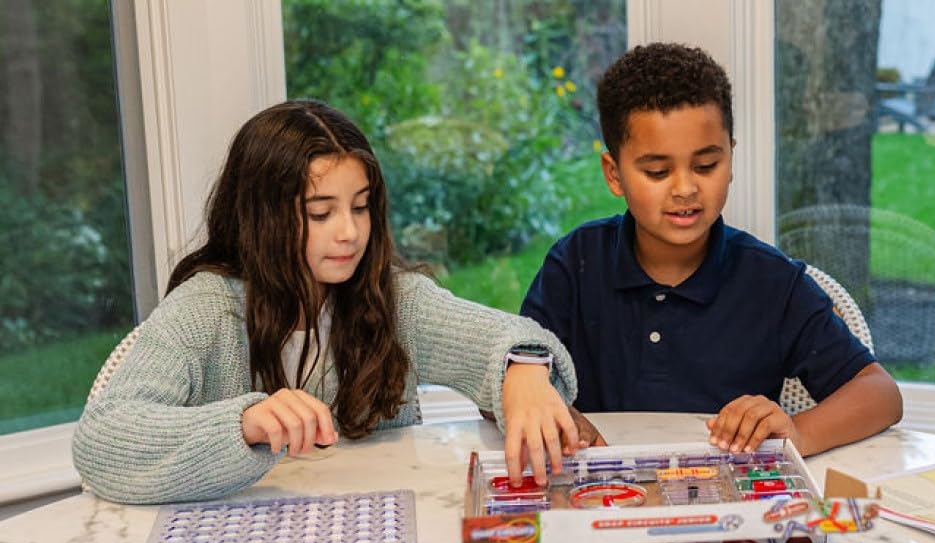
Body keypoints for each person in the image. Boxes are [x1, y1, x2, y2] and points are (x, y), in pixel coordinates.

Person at [74, 100, 581, 505]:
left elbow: (507, 338)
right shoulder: (205, 309)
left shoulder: (393, 299)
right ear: (261, 218)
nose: (350, 233)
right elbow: (102, 440)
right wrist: (244, 423)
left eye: (360, 207)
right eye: (321, 214)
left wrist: (524, 369)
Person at [521, 42, 903, 456]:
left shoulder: (772, 283)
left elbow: (880, 393)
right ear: (614, 174)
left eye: (706, 166)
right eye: (658, 171)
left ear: (731, 158)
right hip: (599, 487)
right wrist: (542, 406)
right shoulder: (575, 265)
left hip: (728, 490)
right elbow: (509, 376)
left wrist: (798, 432)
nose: (685, 188)